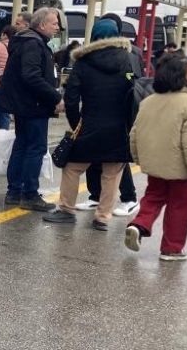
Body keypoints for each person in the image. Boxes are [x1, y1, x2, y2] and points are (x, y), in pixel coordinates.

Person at [42, 19, 135, 230]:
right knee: (112, 173)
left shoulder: (83, 62)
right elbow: (134, 90)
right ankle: (102, 217)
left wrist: (76, 124)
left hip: (90, 124)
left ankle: (66, 210)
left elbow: (72, 98)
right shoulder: (128, 60)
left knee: (72, 167)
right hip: (118, 127)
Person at [125, 52, 187, 261]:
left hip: (154, 163)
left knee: (153, 197)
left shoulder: (149, 101)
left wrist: (138, 158)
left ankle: (139, 224)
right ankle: (172, 249)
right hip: (179, 168)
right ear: (181, 74)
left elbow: (135, 133)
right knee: (179, 206)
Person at [76, 13, 141, 217]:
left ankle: (129, 198)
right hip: (96, 114)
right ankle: (96, 195)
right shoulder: (91, 55)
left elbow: (136, 83)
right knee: (95, 155)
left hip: (121, 114)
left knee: (117, 159)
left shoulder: (131, 53)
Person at [0, 8, 64, 211]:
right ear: (42, 24)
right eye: (54, 23)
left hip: (23, 104)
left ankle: (14, 192)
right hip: (33, 105)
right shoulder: (34, 44)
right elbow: (31, 76)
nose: (57, 28)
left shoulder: (25, 42)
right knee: (35, 148)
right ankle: (29, 194)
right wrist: (55, 96)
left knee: (21, 146)